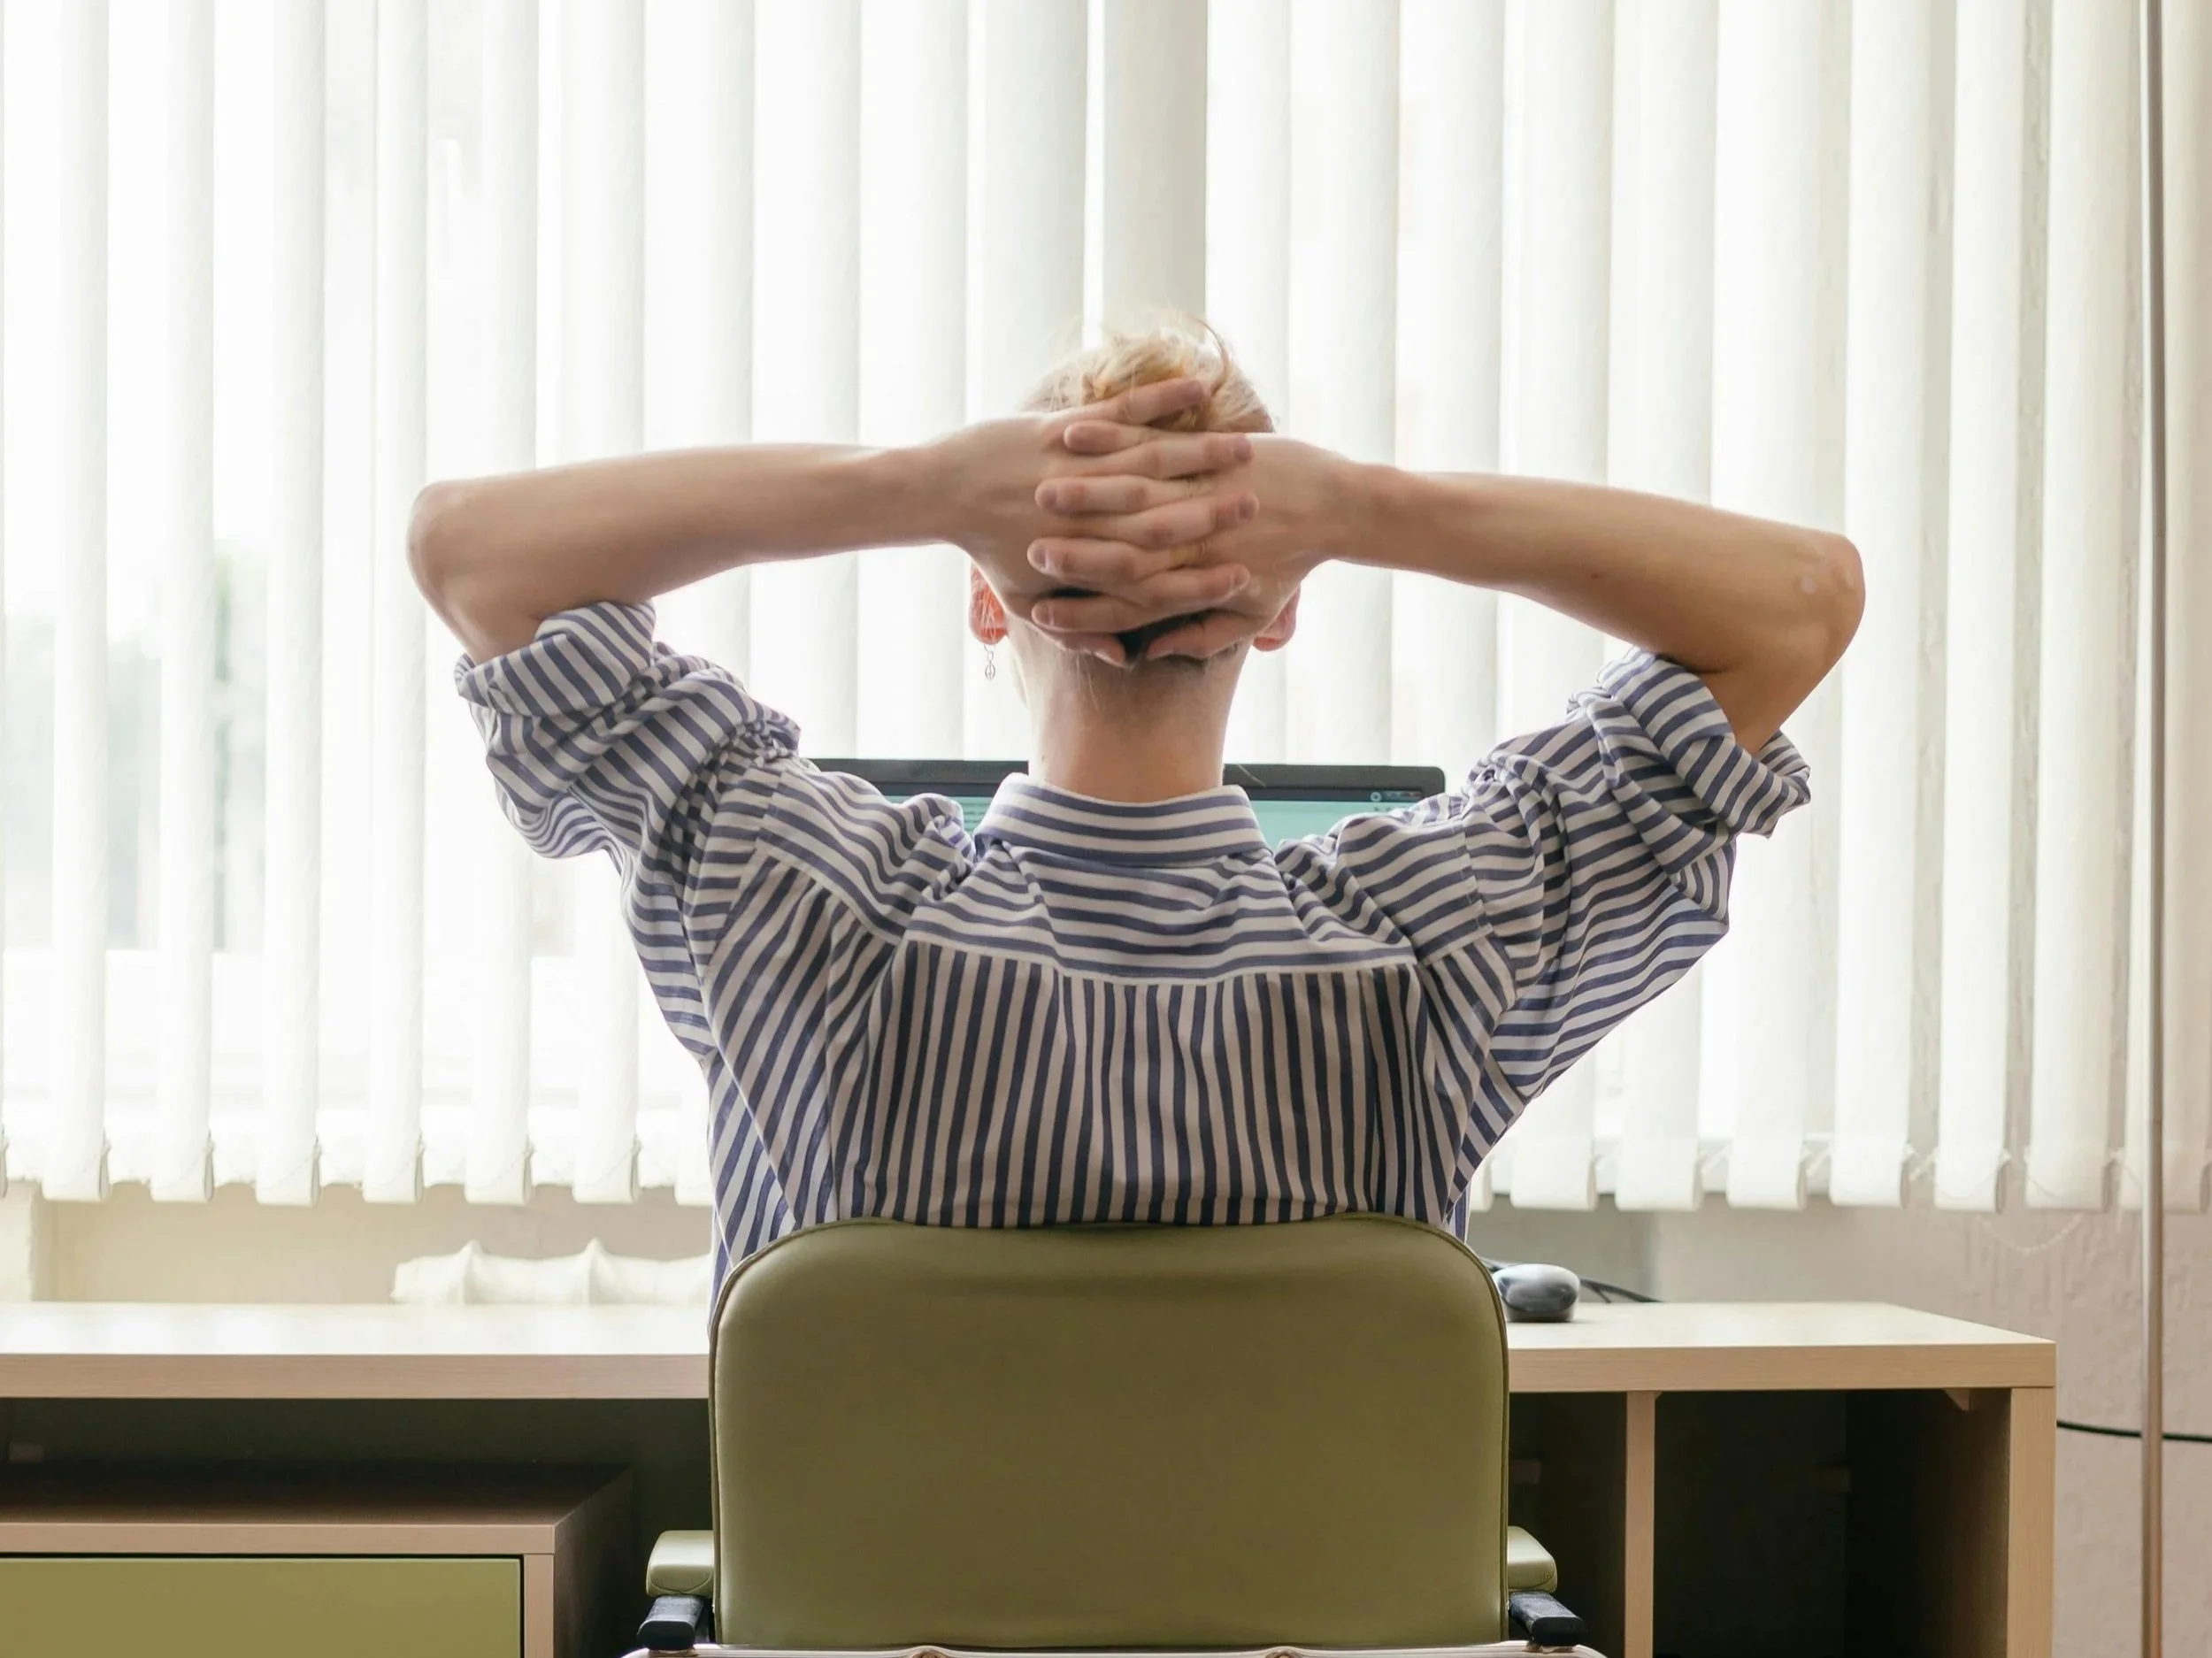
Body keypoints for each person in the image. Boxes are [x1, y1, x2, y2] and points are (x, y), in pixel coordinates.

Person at [412, 322, 1861, 1287]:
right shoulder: (1437, 939)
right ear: (1282, 613)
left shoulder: (792, 891)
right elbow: (1799, 605)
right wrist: (1357, 507)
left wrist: (923, 483)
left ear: (988, 600)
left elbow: (472, 554)